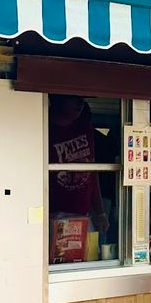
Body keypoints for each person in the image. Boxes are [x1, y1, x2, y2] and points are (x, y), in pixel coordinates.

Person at [48, 95, 109, 235]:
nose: (80, 103)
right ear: (58, 100)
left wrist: (100, 212)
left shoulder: (85, 129)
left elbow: (92, 172)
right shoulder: (45, 130)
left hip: (84, 214)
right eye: (74, 98)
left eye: (83, 99)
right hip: (54, 214)